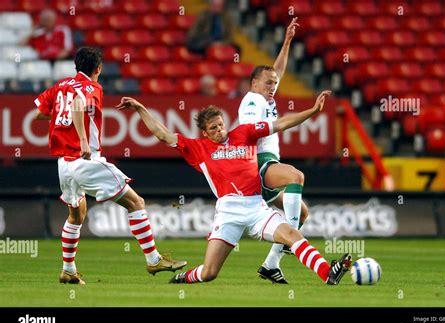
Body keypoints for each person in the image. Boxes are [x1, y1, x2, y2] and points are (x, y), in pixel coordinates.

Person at [116, 91, 352, 286]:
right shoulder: (198, 148)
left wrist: (312, 111)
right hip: (228, 211)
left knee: (291, 235)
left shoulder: (244, 133)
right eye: (214, 128)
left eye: (221, 124)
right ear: (205, 133)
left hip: (256, 206)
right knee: (209, 272)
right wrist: (139, 108)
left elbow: (280, 123)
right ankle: (182, 279)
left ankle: (327, 273)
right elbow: (162, 134)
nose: (220, 130)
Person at [34, 47, 186, 285]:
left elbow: (39, 114)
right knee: (136, 202)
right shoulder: (91, 87)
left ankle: (68, 270)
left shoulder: (60, 85)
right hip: (85, 160)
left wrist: (60, 117)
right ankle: (153, 259)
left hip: (63, 164)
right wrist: (83, 139)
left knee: (76, 215)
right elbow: (77, 106)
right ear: (99, 68)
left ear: (76, 66)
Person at [238, 18, 307, 284]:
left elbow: (275, 72)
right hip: (258, 161)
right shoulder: (253, 100)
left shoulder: (264, 94)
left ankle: (271, 264)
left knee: (302, 213)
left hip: (267, 161)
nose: (273, 87)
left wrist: (287, 41)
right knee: (295, 177)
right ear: (254, 83)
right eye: (268, 83)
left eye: (274, 85)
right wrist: (285, 121)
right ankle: (292, 237)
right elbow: (252, 131)